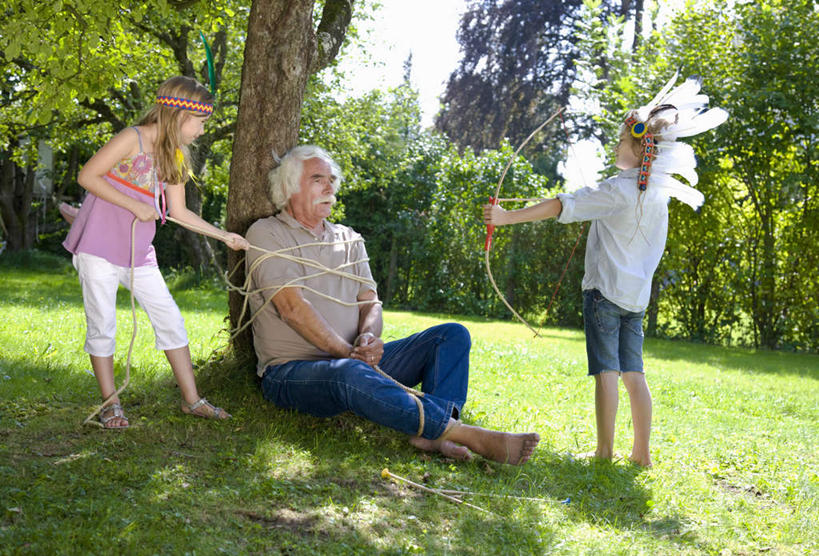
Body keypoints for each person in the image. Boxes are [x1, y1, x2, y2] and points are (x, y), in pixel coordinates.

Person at [483, 75, 727, 467]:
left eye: (619, 141)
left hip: (604, 296)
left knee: (607, 373)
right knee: (634, 373)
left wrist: (505, 217)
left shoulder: (618, 191)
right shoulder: (656, 196)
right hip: (635, 299)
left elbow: (561, 205)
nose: (614, 146)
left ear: (637, 149)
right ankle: (641, 453)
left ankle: (605, 451)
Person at [245, 145, 540, 464]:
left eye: (332, 179)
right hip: (293, 372)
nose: (330, 186)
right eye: (318, 179)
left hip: (356, 360)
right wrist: (348, 354)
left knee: (451, 336)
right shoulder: (266, 233)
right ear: (289, 186)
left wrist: (368, 338)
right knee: (348, 372)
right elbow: (292, 308)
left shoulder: (349, 238)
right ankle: (459, 432)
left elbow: (369, 302)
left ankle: (433, 436)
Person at [64, 76, 249, 428]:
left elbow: (179, 213)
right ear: (180, 116)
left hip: (138, 253)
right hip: (98, 248)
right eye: (201, 123)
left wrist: (224, 235)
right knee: (103, 324)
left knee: (169, 318)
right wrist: (135, 206)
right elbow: (88, 176)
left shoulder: (175, 156)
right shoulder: (131, 138)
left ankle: (192, 400)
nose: (201, 131)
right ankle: (110, 404)